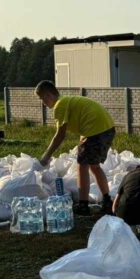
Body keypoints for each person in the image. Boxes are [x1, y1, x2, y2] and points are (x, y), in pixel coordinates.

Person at [36, 82, 116, 215]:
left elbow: (60, 135)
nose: (43, 103)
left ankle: (83, 205)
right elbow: (83, 120)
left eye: (42, 99)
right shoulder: (67, 101)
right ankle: (107, 200)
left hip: (95, 130)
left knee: (82, 165)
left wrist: (46, 155)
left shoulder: (59, 105)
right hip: (107, 129)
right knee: (94, 166)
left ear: (48, 95)